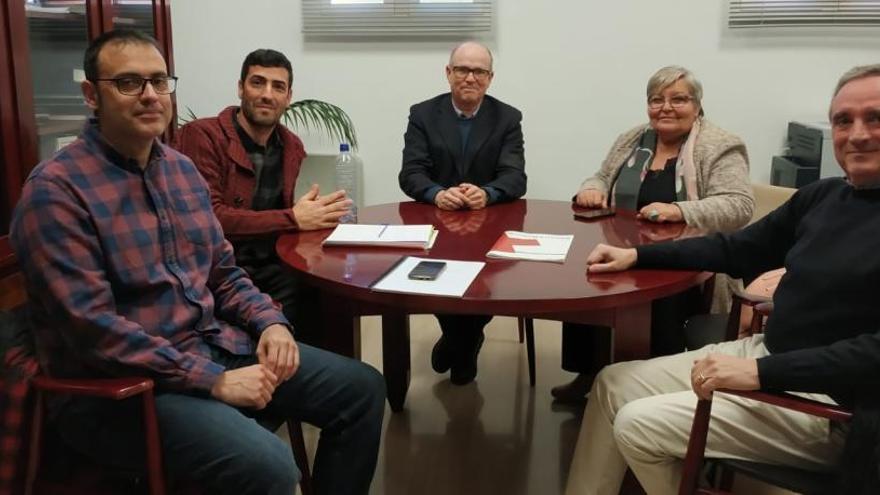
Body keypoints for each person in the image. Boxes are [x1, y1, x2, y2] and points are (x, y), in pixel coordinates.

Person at [10, 30, 384, 495]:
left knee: (362, 390)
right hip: (127, 390)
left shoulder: (179, 171)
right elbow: (94, 330)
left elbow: (223, 273)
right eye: (128, 83)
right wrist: (215, 381)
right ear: (92, 95)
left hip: (210, 346)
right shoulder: (56, 192)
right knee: (270, 466)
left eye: (159, 81)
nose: (150, 95)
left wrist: (270, 324)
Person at [564, 64, 880, 495]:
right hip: (768, 354)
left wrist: (761, 372)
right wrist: (636, 254)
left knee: (639, 425)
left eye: (874, 118)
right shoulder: (824, 195)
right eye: (844, 120)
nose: (857, 134)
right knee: (610, 383)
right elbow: (736, 249)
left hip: (833, 406)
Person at [552, 66, 754, 403]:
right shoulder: (633, 139)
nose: (666, 108)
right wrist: (592, 188)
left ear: (697, 104)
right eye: (656, 100)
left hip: (687, 262)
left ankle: (647, 387)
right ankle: (588, 374)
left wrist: (681, 210)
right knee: (586, 282)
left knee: (659, 301)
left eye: (678, 99)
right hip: (623, 250)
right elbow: (601, 176)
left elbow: (738, 206)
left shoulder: (720, 145)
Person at [174, 48, 351, 347]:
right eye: (258, 83)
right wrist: (293, 218)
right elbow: (210, 218)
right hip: (218, 270)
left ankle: (329, 380)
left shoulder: (291, 145)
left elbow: (287, 217)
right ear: (240, 87)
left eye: (278, 87)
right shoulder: (202, 135)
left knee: (334, 289)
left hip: (274, 262)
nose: (267, 94)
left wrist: (318, 218)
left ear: (288, 96)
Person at [399, 41, 526, 385]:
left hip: (489, 224)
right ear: (448, 73)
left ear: (490, 78)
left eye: (479, 71)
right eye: (462, 70)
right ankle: (465, 342)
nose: (470, 77)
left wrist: (487, 193)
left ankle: (460, 341)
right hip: (438, 223)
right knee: (437, 278)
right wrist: (436, 193)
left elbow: (515, 177)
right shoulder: (423, 114)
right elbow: (411, 173)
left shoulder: (508, 118)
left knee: (491, 275)